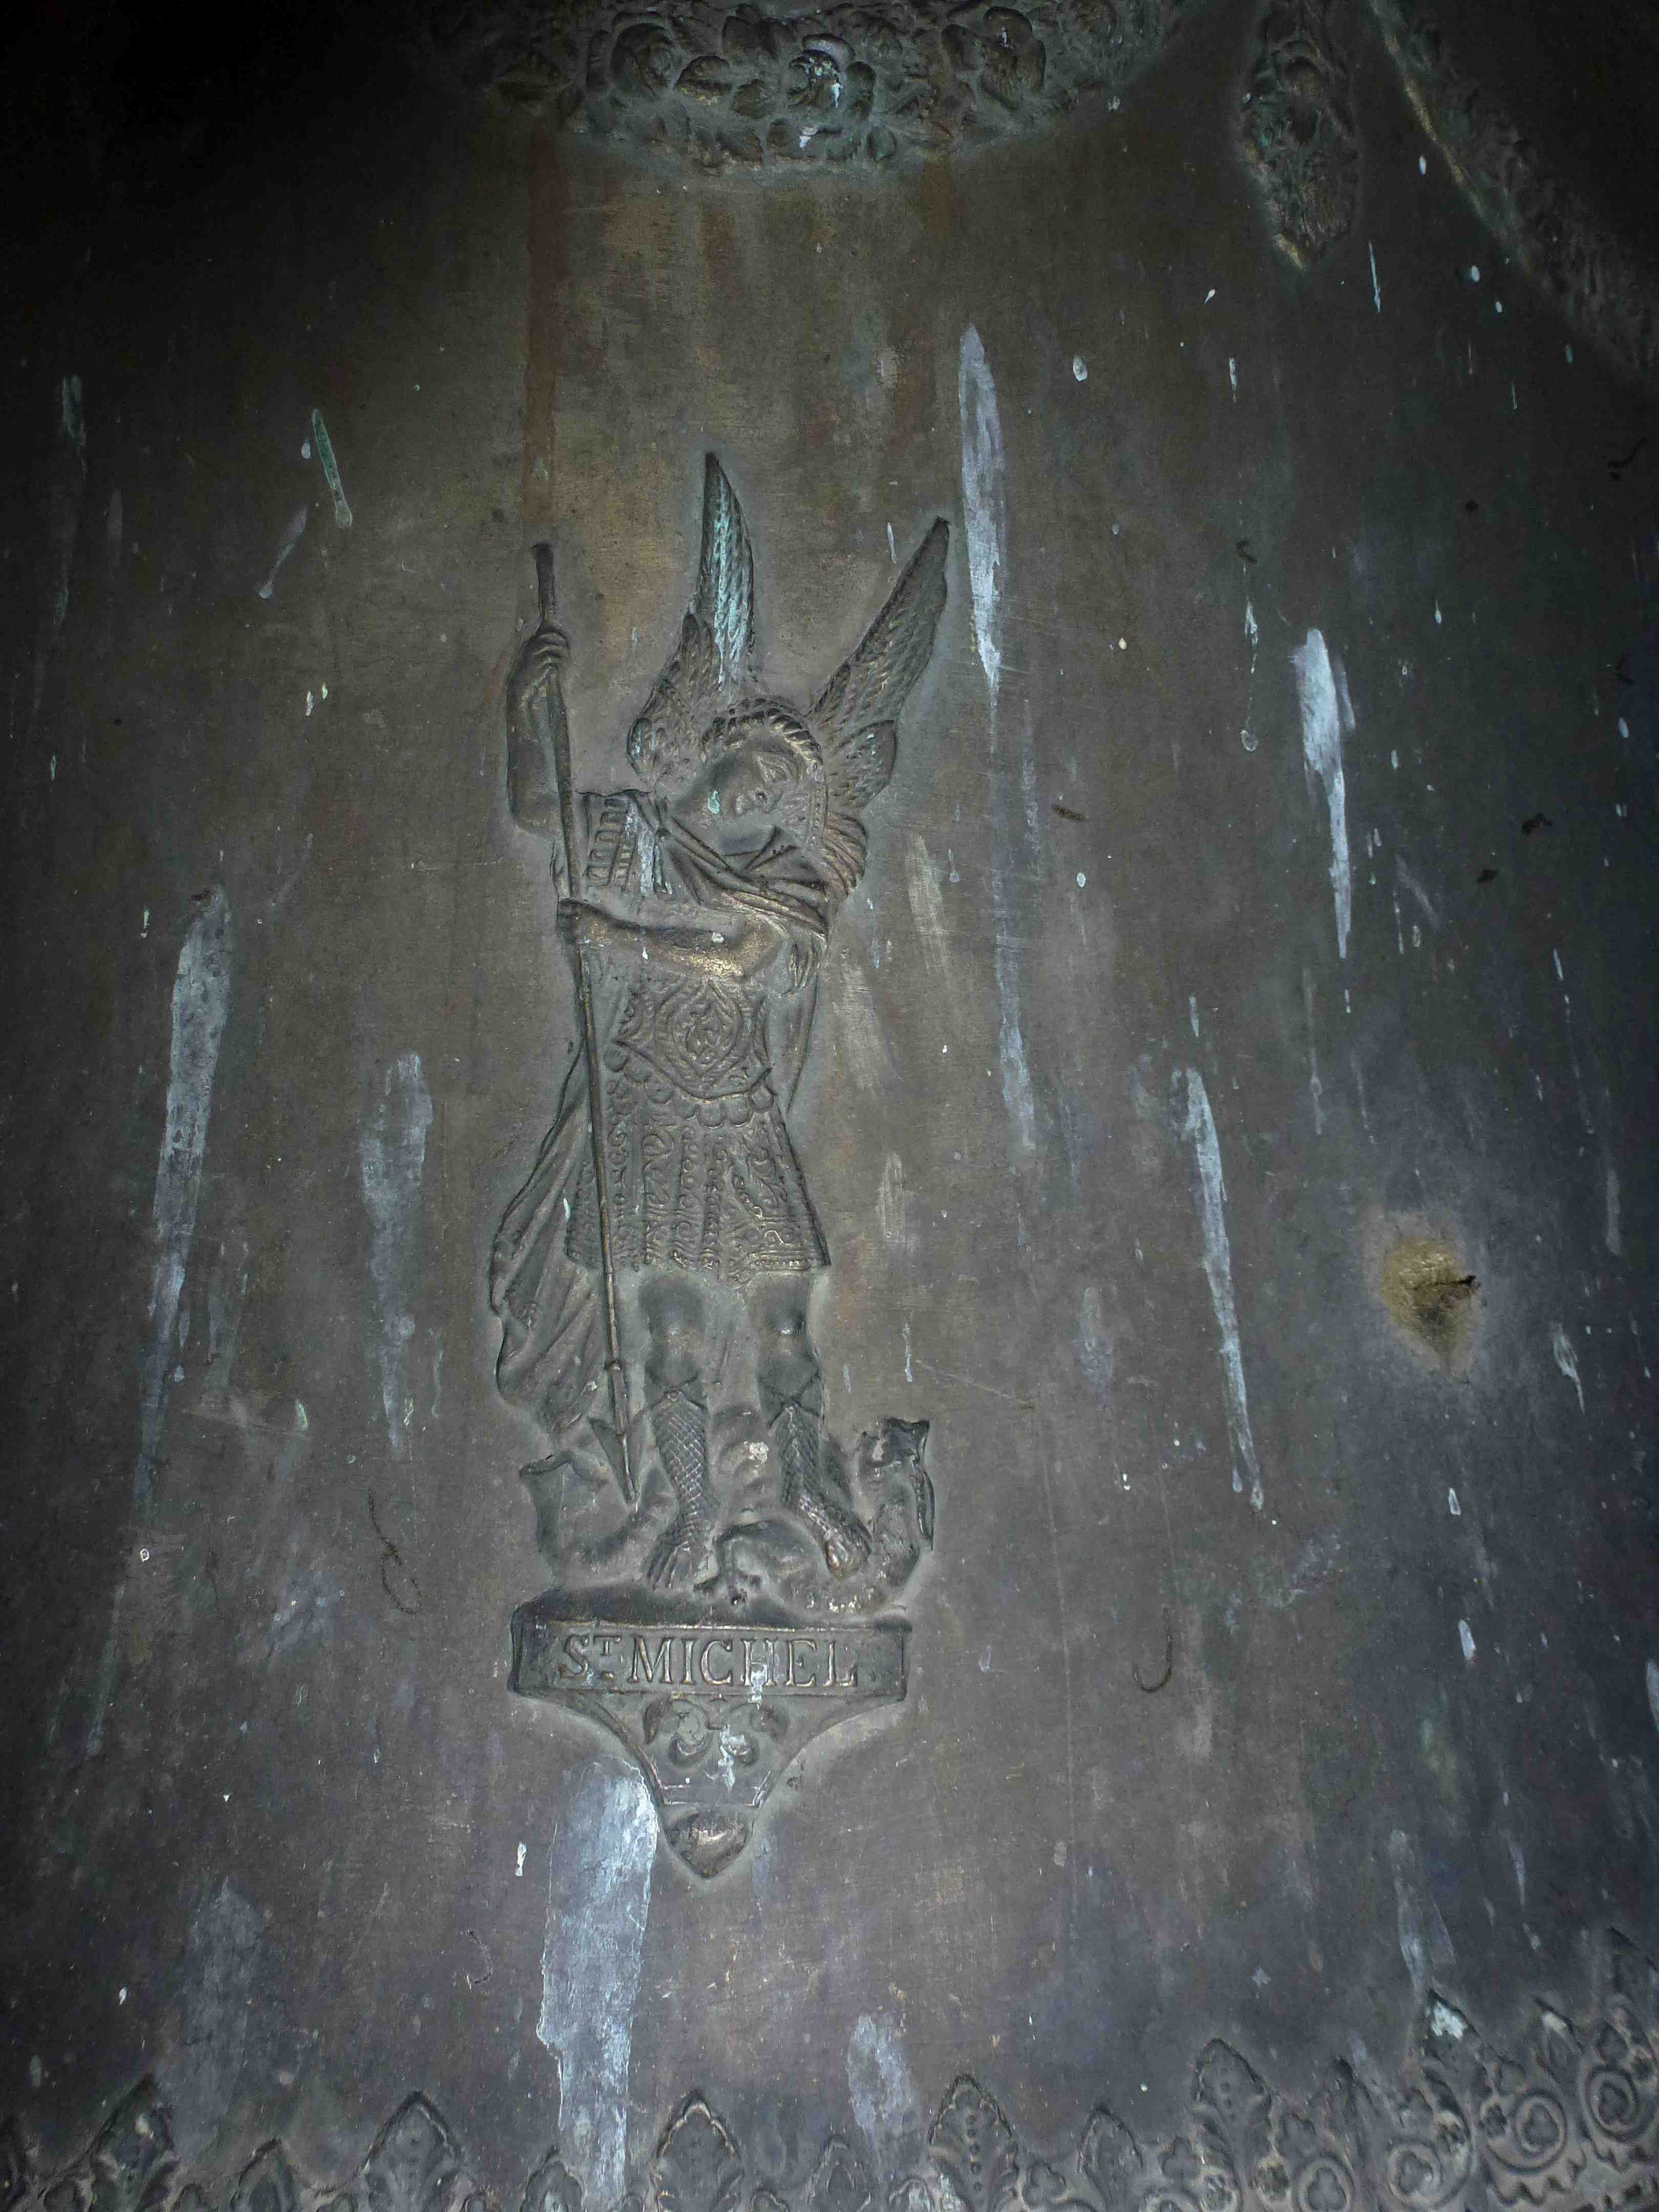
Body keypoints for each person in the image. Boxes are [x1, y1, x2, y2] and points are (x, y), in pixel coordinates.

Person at [492, 456, 947, 1590]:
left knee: (785, 1313)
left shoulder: (780, 892)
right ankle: (692, 1518)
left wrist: (622, 939)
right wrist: (525, 707)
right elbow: (536, 805)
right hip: (649, 1105)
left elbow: (740, 962)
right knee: (672, 1327)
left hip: (737, 1117)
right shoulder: (635, 838)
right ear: (711, 753)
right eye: (742, 771)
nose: (746, 796)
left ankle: (808, 1488)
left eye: (770, 795)